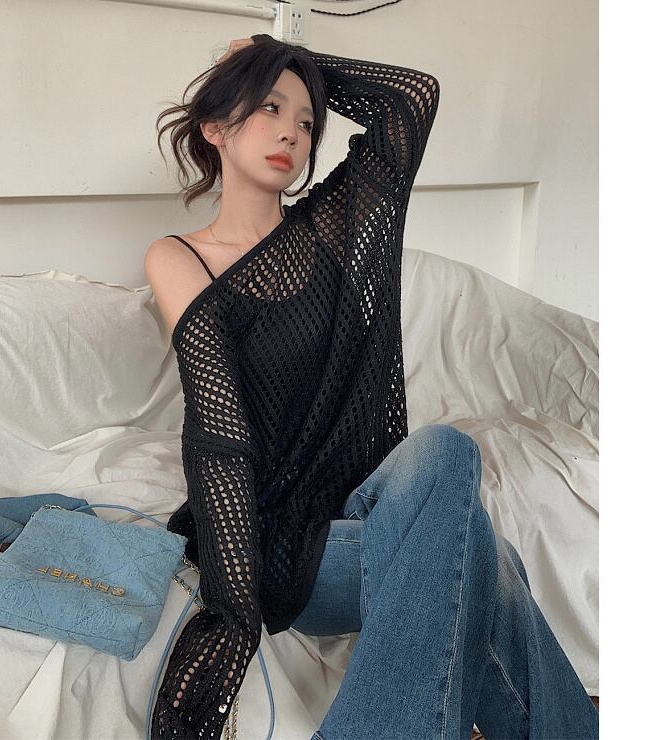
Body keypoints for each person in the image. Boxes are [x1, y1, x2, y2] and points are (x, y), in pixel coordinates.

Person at [144, 34, 598, 739]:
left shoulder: (337, 230)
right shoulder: (179, 259)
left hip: (367, 499)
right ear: (214, 126)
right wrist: (234, 604)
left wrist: (284, 57)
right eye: (268, 108)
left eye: (306, 122)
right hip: (282, 539)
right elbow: (220, 432)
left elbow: (409, 102)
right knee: (485, 551)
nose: (291, 134)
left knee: (445, 451)